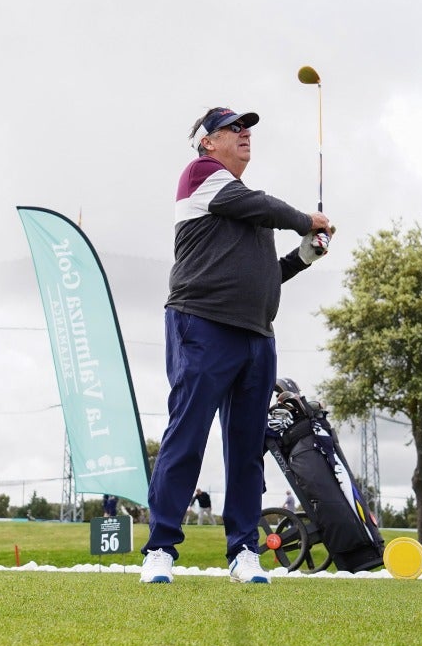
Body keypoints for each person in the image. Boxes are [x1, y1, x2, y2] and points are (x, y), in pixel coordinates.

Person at [140, 108, 333, 585]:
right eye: (233, 128)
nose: (244, 134)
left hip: (256, 335)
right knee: (188, 435)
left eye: (246, 128)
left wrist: (306, 252)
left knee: (247, 449)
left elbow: (267, 276)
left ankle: (243, 551)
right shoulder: (201, 176)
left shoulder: (246, 207)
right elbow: (268, 207)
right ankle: (160, 548)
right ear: (207, 143)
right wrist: (306, 219)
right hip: (202, 325)